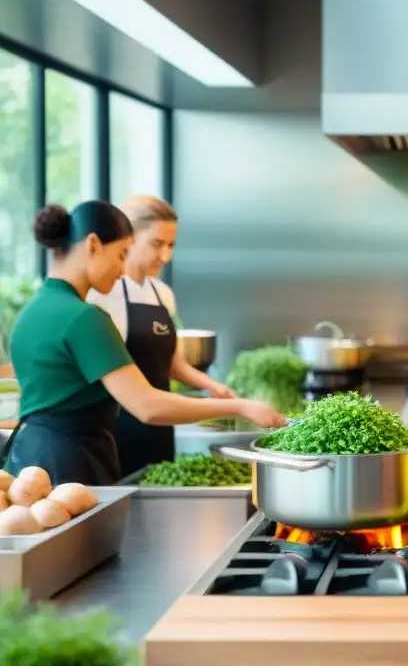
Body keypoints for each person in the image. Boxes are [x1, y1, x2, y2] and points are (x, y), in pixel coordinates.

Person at [1, 200, 286, 486]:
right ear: (93, 245)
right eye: (121, 254)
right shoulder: (85, 318)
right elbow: (147, 405)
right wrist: (240, 407)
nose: (123, 270)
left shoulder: (30, 313)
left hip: (29, 462)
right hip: (73, 464)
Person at [87, 195, 234, 476]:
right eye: (156, 244)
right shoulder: (103, 296)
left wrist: (213, 387)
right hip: (119, 430)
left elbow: (172, 364)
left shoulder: (162, 294)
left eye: (171, 245)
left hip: (160, 429)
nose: (165, 256)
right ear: (129, 237)